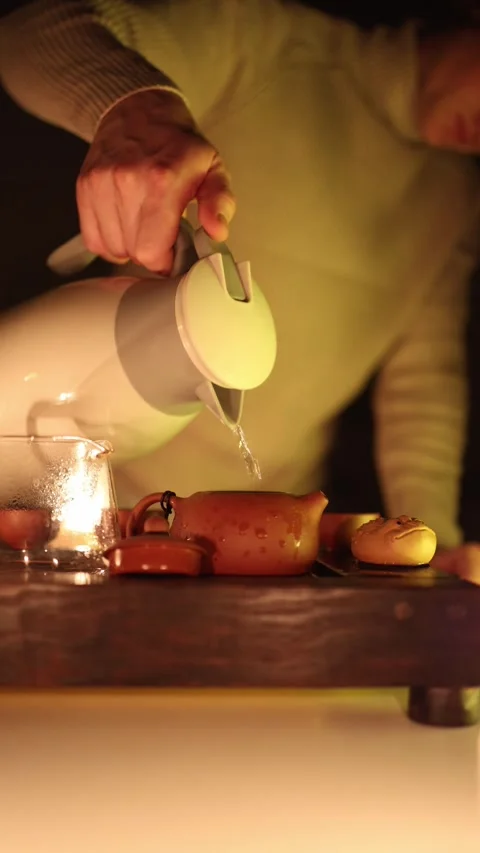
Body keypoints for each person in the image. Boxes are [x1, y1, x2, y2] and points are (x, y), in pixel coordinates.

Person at [1, 0, 480, 569]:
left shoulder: (453, 196)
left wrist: (435, 543)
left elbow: (424, 383)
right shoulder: (270, 49)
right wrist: (138, 111)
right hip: (105, 507)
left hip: (271, 537)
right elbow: (32, 33)